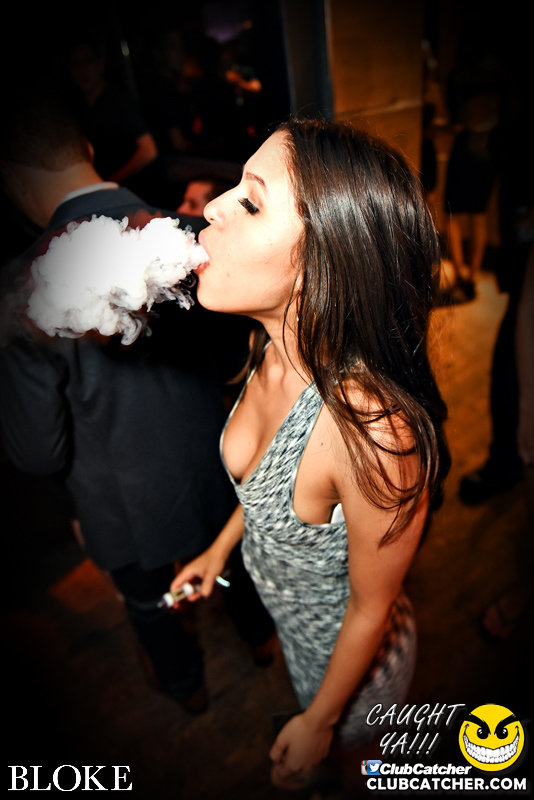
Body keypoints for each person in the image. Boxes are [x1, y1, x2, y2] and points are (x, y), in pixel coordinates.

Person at [171, 116, 451, 788]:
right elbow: (263, 495)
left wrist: (323, 721)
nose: (211, 207)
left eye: (250, 201)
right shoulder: (268, 346)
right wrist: (219, 551)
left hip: (354, 674)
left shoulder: (373, 433)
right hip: (296, 640)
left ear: (323, 262)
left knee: (363, 775)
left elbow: (370, 609)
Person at [0, 86, 274, 715]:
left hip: (120, 504)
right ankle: (260, 639)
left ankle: (185, 686)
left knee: (150, 605)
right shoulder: (192, 233)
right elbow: (237, 361)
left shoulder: (19, 292)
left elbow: (38, 452)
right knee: (235, 567)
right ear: (87, 148)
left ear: (10, 179)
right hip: (214, 465)